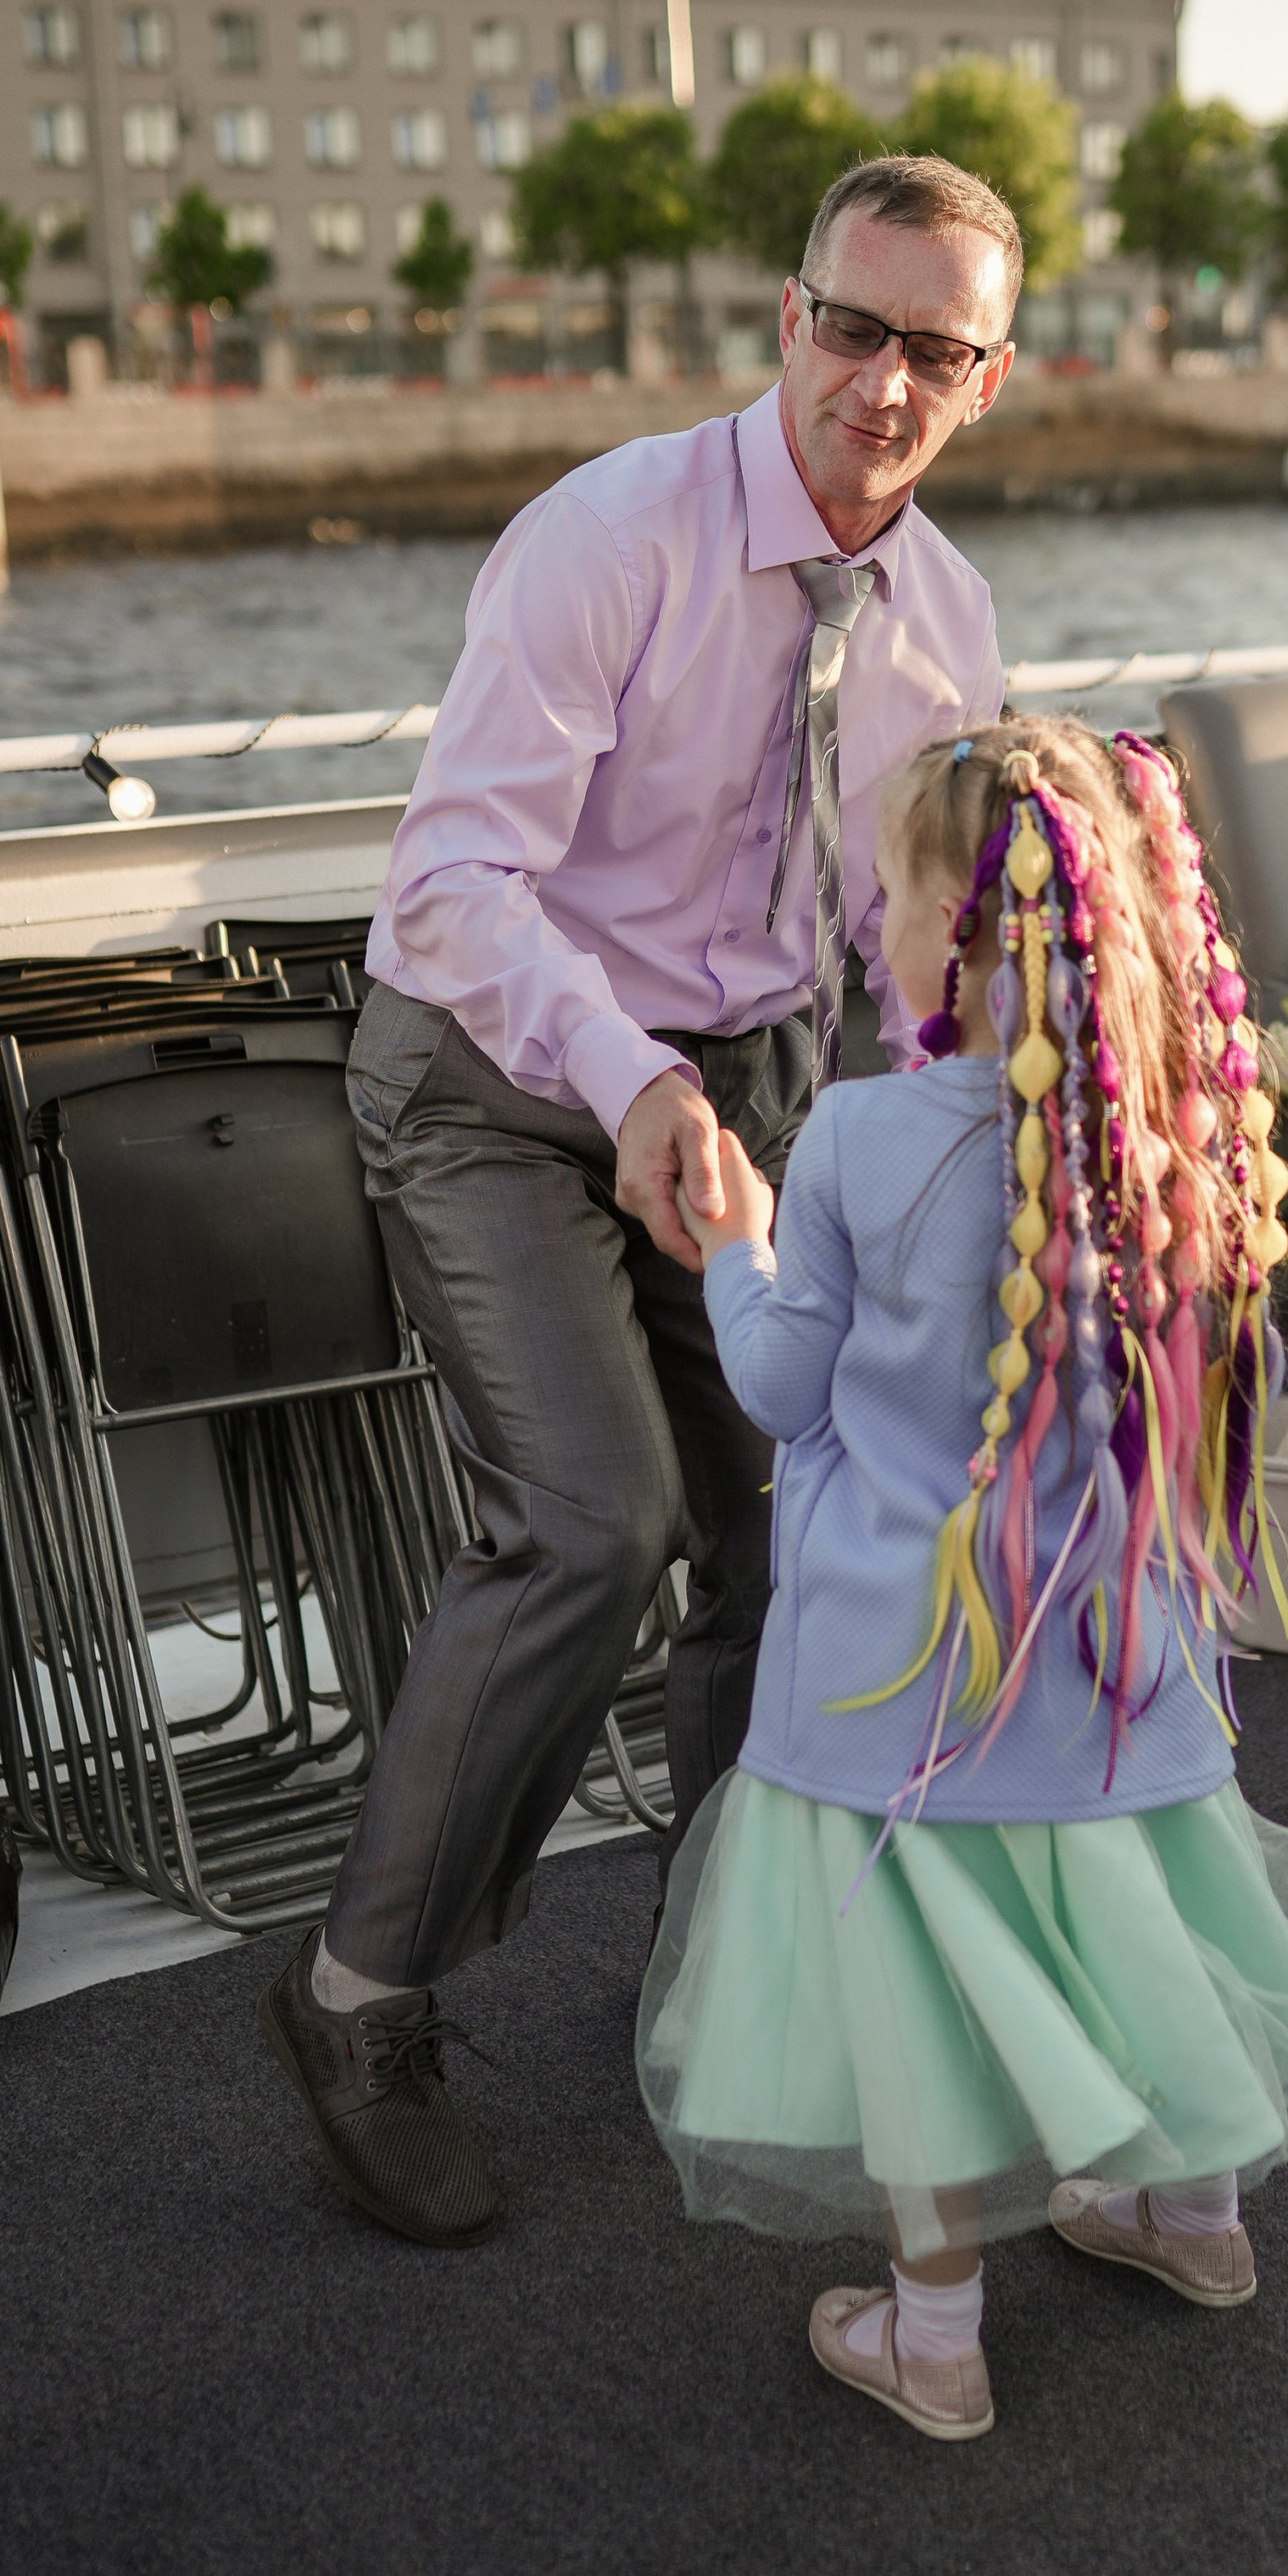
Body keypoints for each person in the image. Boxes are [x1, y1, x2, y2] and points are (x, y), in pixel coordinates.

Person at [259, 156, 1016, 2249]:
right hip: (503, 1075)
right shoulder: (610, 533)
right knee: (599, 1528)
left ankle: (721, 1965)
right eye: (849, 329)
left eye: (929, 349)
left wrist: (1004, 1123)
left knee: (794, 1526)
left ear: (988, 374)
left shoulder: (943, 613)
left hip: (749, 1080)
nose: (880, 381)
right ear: (787, 321)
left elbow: (907, 934)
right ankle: (358, 1997)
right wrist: (636, 1084)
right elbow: (448, 882)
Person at [635, 720, 1288, 2444]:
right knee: (1137, 1925)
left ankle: (933, 2334)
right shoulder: (1190, 1128)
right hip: (1116, 1651)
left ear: (958, 932)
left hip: (893, 1673)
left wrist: (739, 1242)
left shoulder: (854, 1137)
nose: (872, 924)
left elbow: (773, 1390)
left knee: (907, 2000)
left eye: (892, 892)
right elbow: (1241, 1387)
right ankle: (1190, 2225)